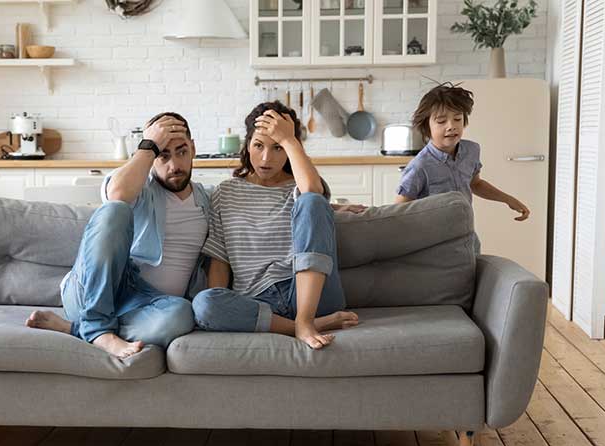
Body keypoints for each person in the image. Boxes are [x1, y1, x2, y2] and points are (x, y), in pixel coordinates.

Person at [26, 112, 211, 358]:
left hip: (147, 306)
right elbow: (117, 193)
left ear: (193, 148)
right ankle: (97, 326)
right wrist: (148, 146)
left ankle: (77, 329)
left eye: (182, 152)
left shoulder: (207, 201)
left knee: (182, 315)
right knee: (115, 209)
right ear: (151, 155)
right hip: (94, 293)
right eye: (163, 155)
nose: (174, 165)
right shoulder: (139, 188)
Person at [191, 101, 358, 350]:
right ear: (247, 145)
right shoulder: (225, 192)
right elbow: (220, 258)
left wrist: (290, 139)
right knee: (204, 303)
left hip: (311, 293)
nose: (266, 158)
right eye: (258, 145)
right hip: (259, 301)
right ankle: (308, 325)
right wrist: (223, 303)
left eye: (278, 147)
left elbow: (312, 192)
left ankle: (306, 318)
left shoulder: (303, 185)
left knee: (313, 201)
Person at [396, 82, 530, 223]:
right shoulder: (419, 166)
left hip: (465, 231)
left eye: (457, 119)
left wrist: (508, 200)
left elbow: (475, 184)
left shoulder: (472, 150)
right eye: (441, 121)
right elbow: (400, 209)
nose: (451, 126)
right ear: (426, 126)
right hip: (433, 239)